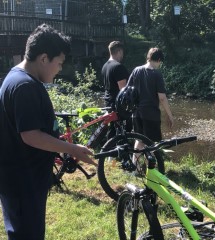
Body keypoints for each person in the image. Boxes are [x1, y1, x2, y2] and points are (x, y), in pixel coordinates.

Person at [0, 24, 96, 240]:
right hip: (23, 183)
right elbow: (30, 135)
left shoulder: (19, 78)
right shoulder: (24, 86)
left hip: (22, 180)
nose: (60, 70)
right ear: (44, 58)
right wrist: (72, 148)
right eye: (59, 63)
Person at [128, 47, 174, 150]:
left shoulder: (136, 70)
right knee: (153, 144)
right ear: (158, 60)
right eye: (160, 62)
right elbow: (162, 98)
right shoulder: (156, 74)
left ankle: (136, 165)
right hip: (151, 114)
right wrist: (170, 115)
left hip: (136, 113)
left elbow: (128, 90)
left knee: (139, 140)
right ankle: (152, 166)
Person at [101, 41, 131, 139]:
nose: (122, 55)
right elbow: (123, 90)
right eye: (122, 52)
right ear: (119, 51)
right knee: (124, 131)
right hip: (118, 105)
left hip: (108, 102)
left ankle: (108, 150)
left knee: (113, 129)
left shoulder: (105, 66)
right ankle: (119, 151)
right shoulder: (118, 67)